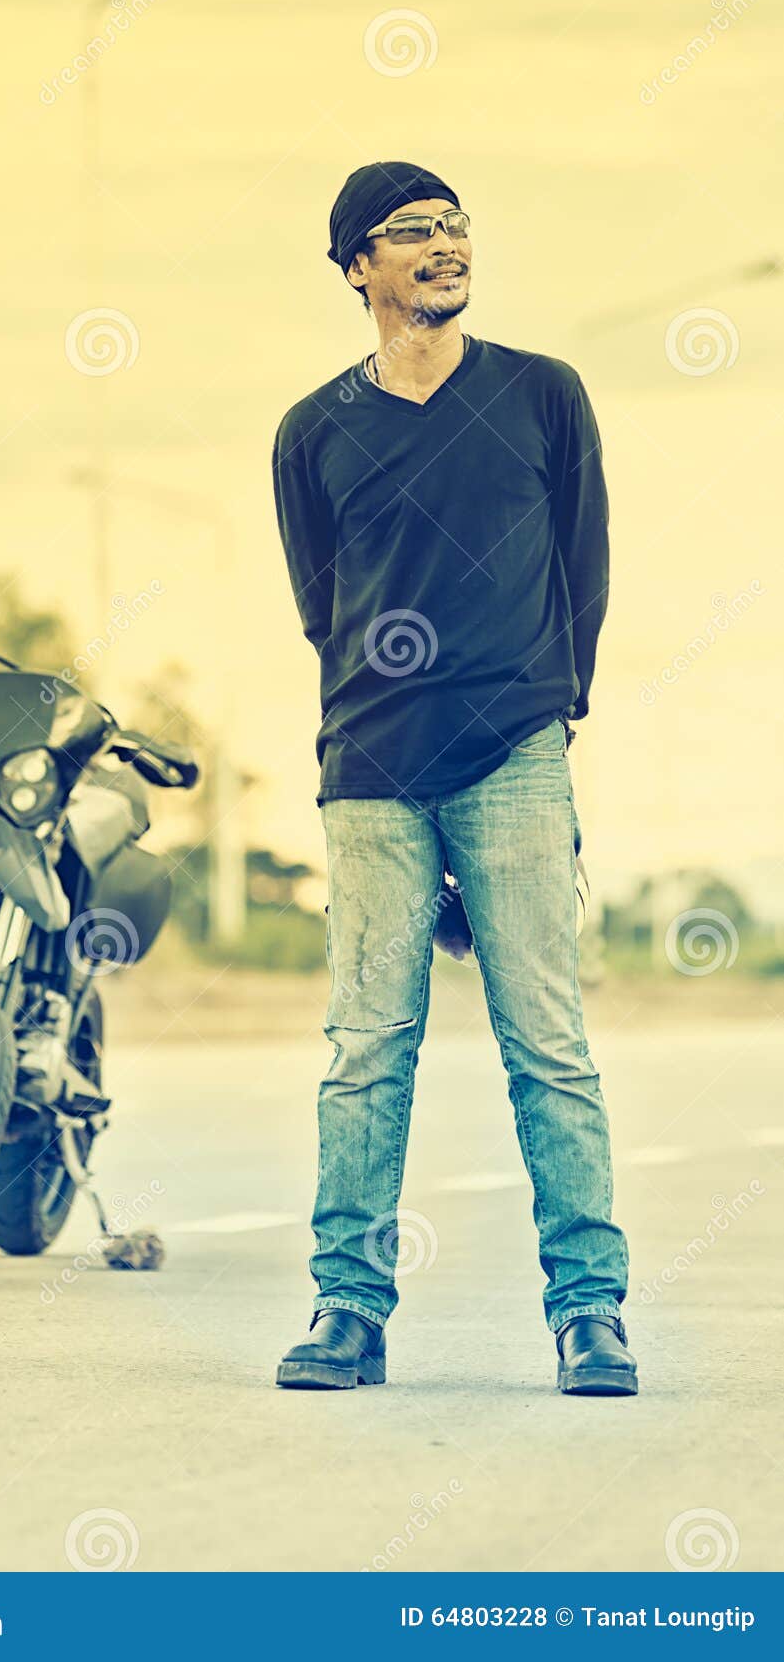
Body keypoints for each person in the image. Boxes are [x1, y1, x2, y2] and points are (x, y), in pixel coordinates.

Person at [271, 160, 636, 1398]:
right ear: (356, 267)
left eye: (457, 224)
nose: (445, 244)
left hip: (517, 759)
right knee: (368, 1046)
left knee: (550, 1042)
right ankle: (346, 1311)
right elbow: (323, 605)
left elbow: (584, 570)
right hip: (373, 767)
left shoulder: (542, 396)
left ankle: (592, 1314)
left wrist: (549, 709)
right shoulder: (313, 432)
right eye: (412, 230)